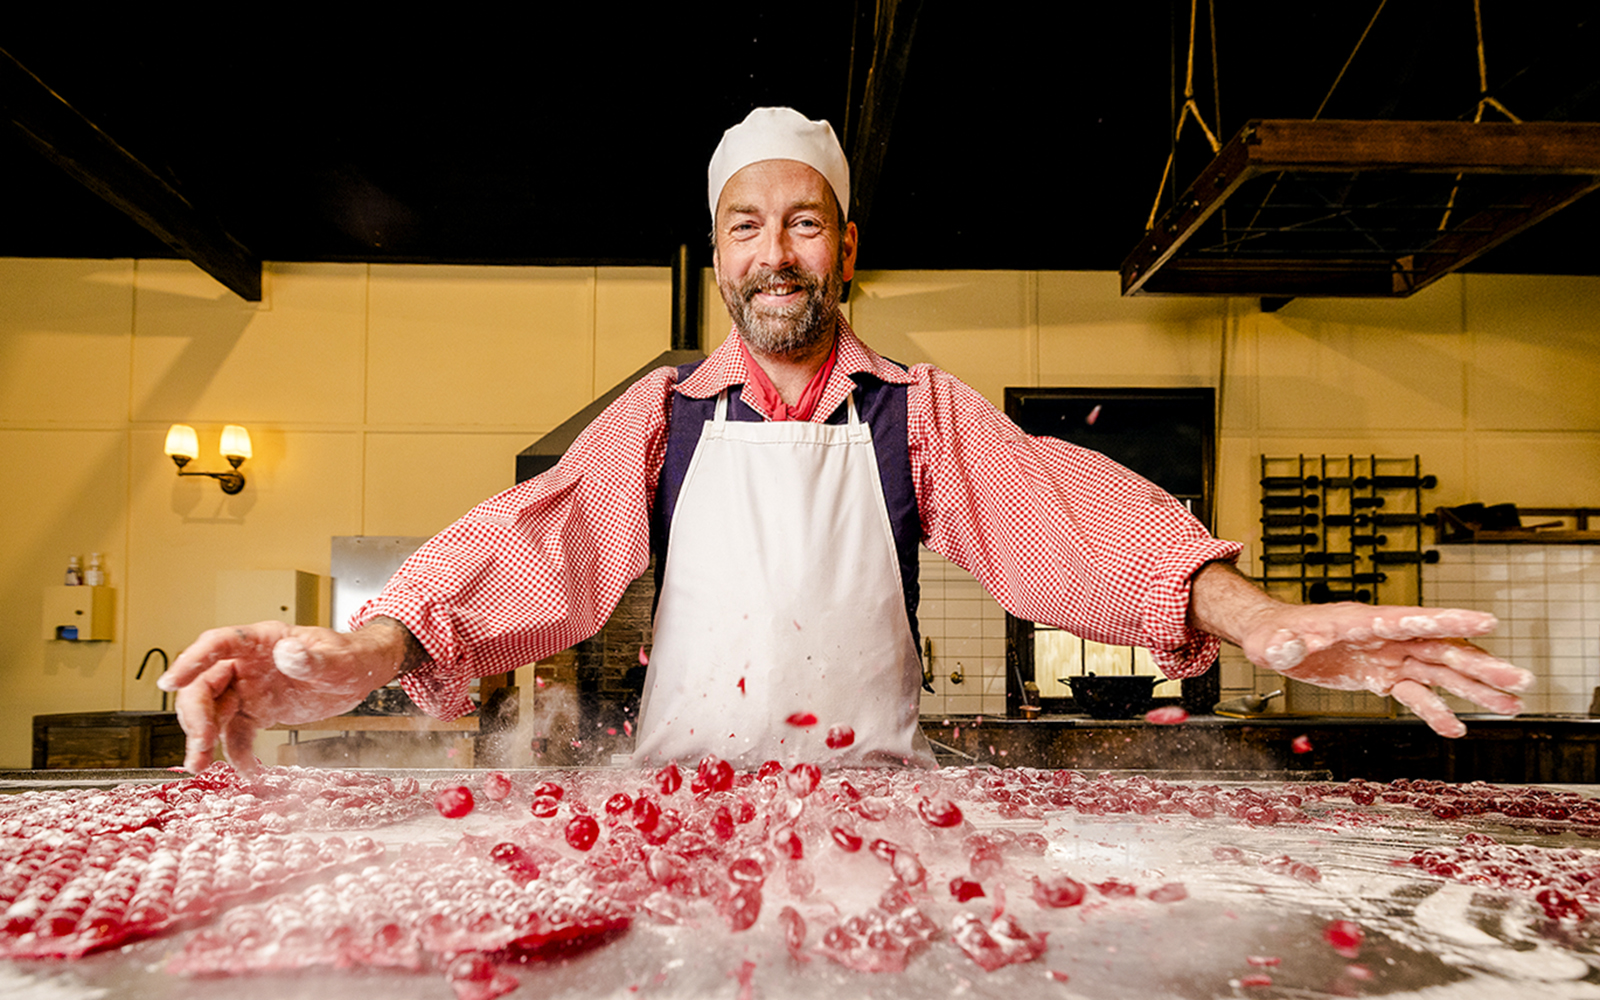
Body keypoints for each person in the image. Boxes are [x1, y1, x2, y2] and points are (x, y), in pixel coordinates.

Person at [161, 108, 1532, 774]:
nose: (778, 252)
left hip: (881, 811)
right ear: (719, 259)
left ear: (846, 250)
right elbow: (540, 544)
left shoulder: (916, 415)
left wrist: (1257, 617)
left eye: (804, 223)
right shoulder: (665, 417)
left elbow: (1070, 518)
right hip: (681, 806)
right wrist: (368, 647)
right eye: (749, 226)